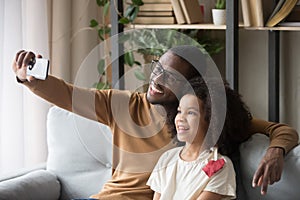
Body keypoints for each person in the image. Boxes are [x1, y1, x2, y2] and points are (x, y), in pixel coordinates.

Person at [12, 45, 298, 199]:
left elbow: (279, 129)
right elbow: (68, 95)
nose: (156, 80)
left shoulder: (205, 121)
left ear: (191, 84)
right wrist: (31, 78)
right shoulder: (125, 105)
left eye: (170, 77)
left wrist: (276, 151)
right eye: (157, 69)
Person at [147, 76, 251, 200]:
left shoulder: (221, 166)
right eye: (179, 111)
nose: (180, 118)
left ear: (212, 121)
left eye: (191, 113)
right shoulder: (167, 159)